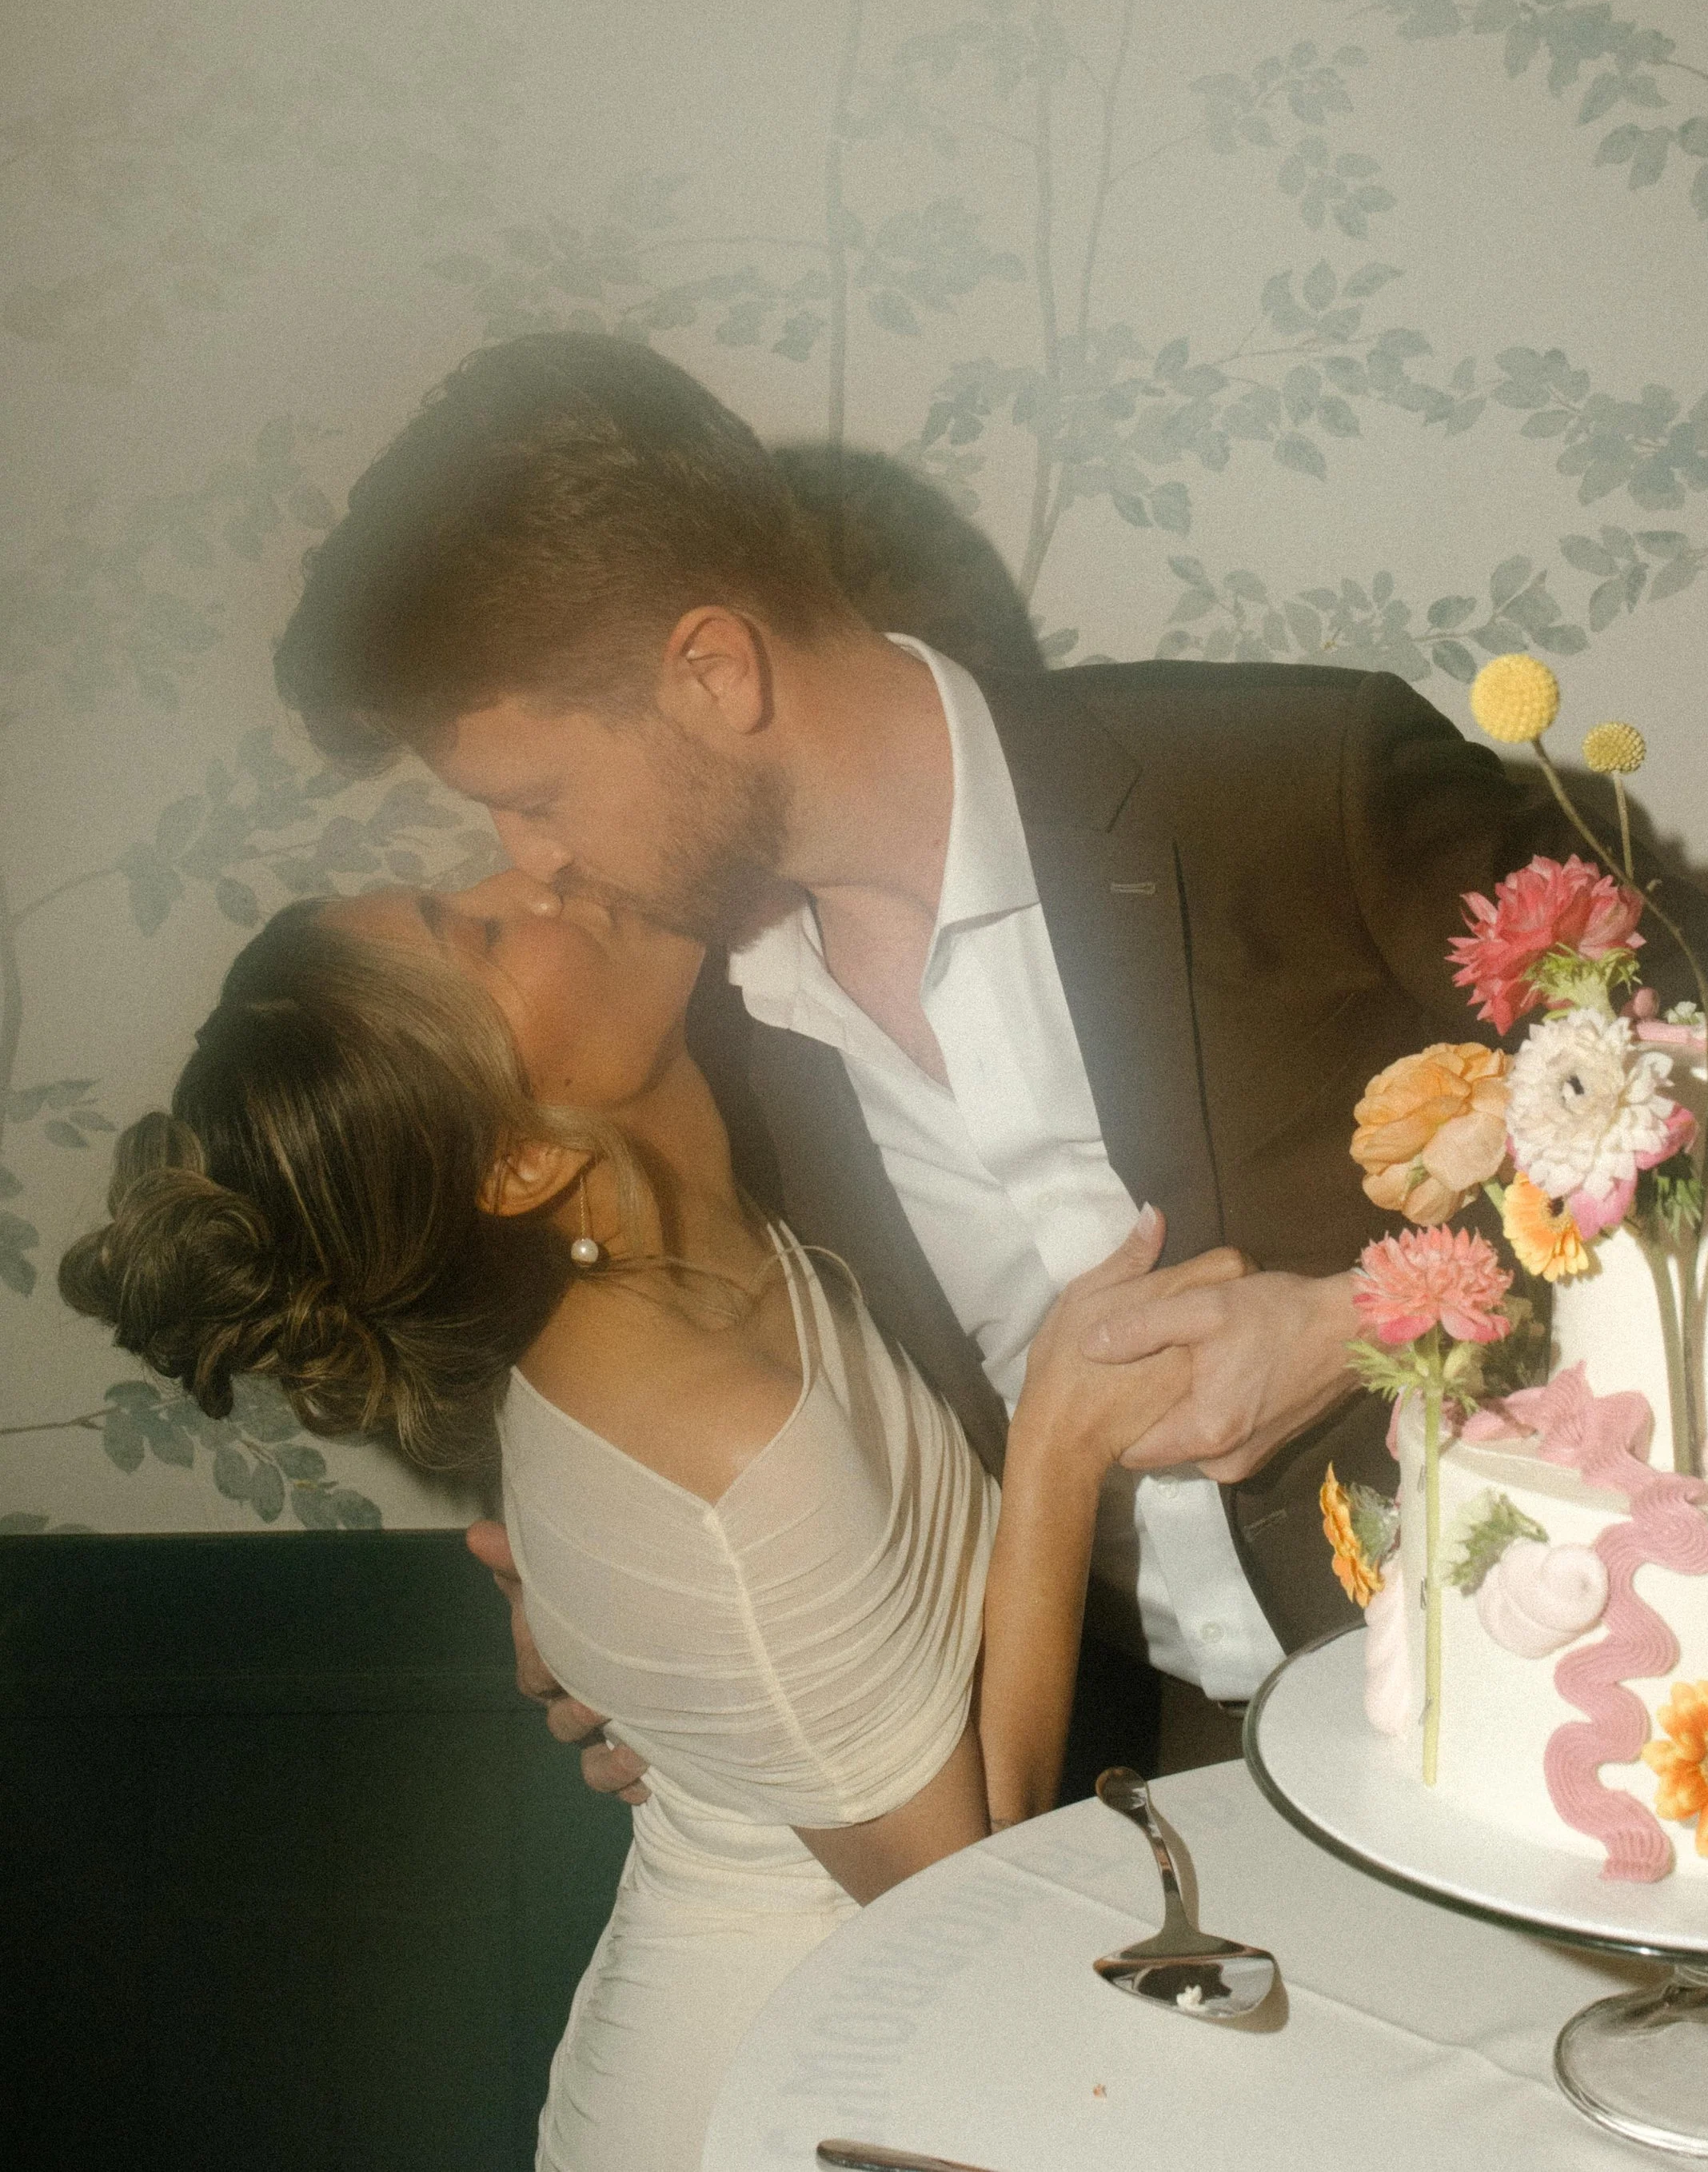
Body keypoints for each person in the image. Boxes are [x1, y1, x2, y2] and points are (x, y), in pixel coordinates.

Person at [269, 331, 1708, 1787]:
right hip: (1128, 1803)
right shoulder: (696, 1048)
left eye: (533, 795)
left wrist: (1346, 1323)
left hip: (1609, 1714)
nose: (525, 862)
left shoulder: (1293, 787)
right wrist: (624, 1608)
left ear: (715, 672)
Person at [62, 871, 1207, 2171]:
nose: (533, 875)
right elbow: (955, 1880)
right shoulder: (725, 1439)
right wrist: (1064, 1433)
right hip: (791, 2101)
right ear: (521, 1157)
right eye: (482, 932)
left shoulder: (680, 1246)